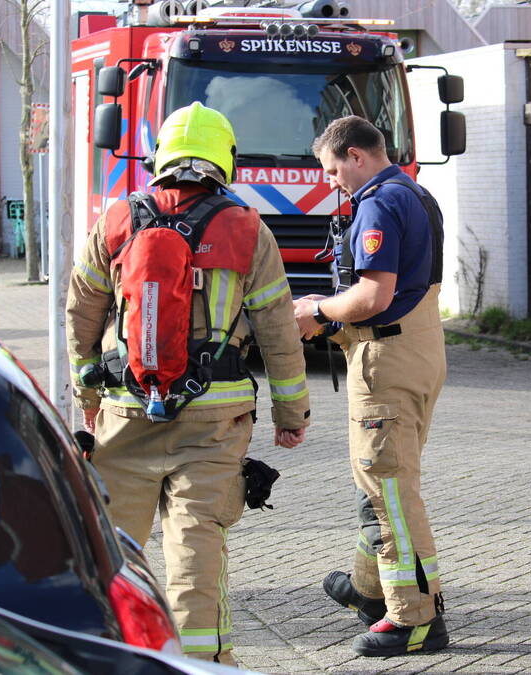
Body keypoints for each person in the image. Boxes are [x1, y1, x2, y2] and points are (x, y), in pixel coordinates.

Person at [66, 102, 309, 666]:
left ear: (161, 157)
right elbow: (278, 330)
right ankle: (202, 664)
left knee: (114, 552)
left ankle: (108, 657)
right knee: (196, 548)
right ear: (224, 158)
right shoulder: (249, 229)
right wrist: (289, 415)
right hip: (214, 421)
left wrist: (89, 397)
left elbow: (81, 315)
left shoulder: (117, 220)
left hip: (125, 415)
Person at [293, 115, 448, 657]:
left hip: (387, 356)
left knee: (389, 490)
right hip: (421, 348)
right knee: (382, 479)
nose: (331, 181)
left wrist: (317, 310)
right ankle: (368, 590)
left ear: (356, 155)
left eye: (333, 170)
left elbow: (374, 295)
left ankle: (415, 619)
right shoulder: (416, 193)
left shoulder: (380, 202)